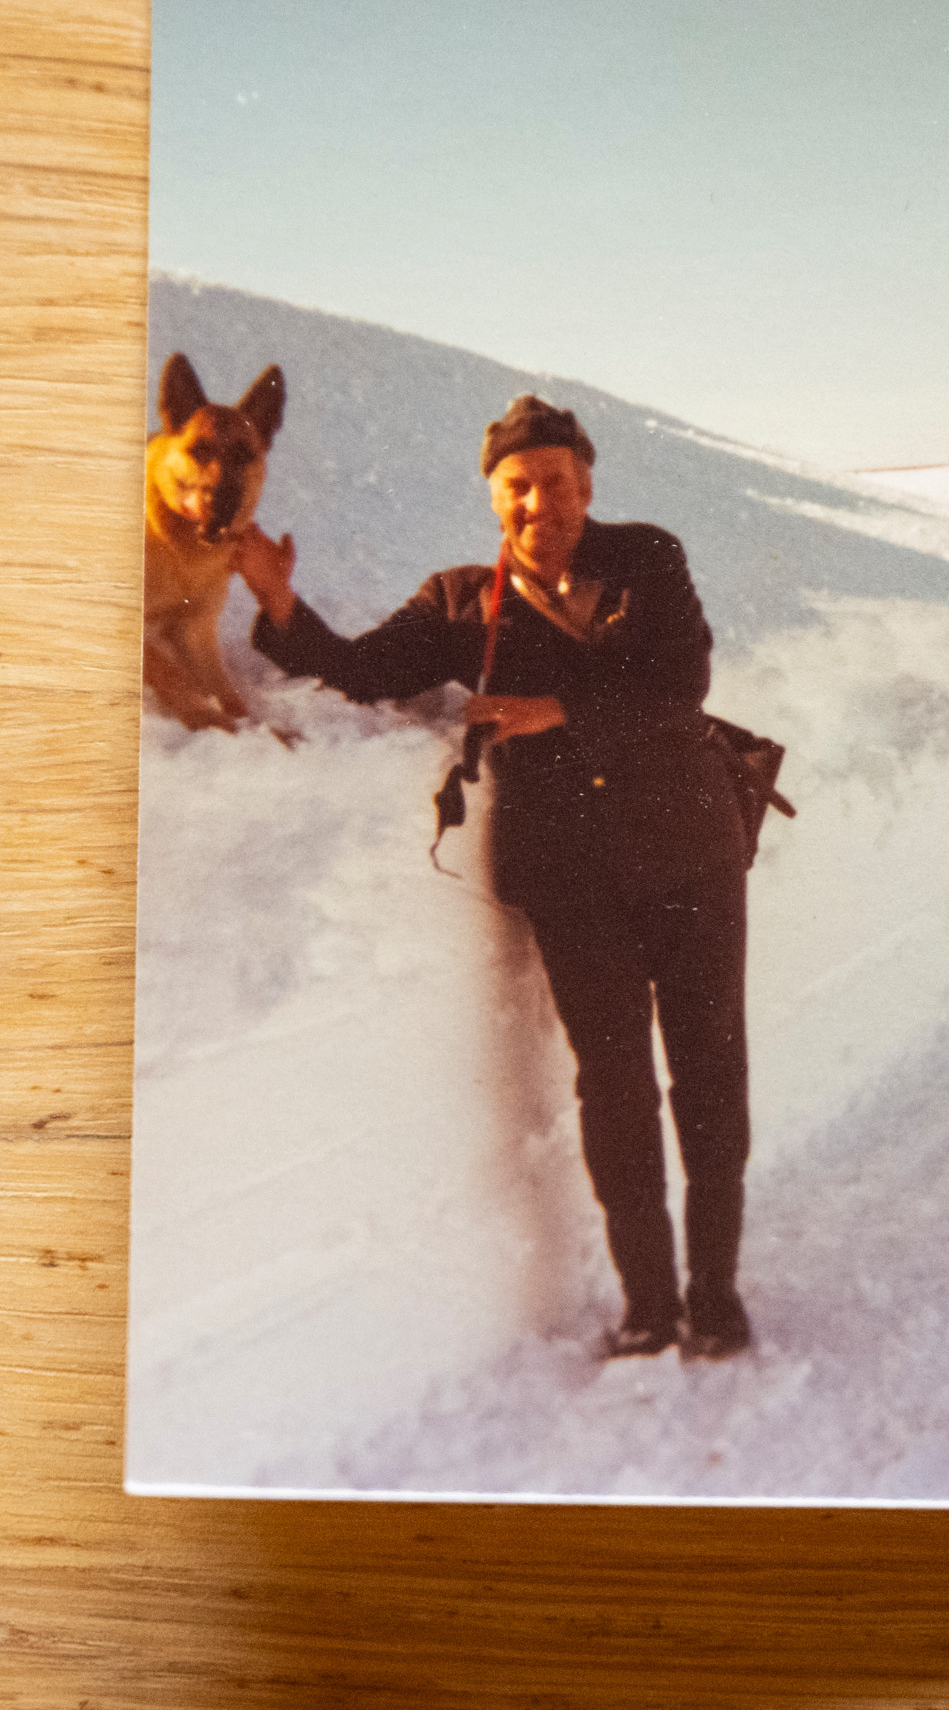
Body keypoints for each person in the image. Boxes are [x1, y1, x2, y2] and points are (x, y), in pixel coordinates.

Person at [234, 395, 753, 1361]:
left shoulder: (648, 557)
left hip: (690, 853)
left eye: (555, 481)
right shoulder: (460, 601)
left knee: (710, 1077)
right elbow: (363, 668)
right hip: (572, 880)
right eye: (517, 485)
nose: (537, 502)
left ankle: (715, 1294)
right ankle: (649, 1304)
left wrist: (555, 708)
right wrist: (277, 605)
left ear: (586, 487)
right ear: (493, 497)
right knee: (615, 1087)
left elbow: (680, 681)